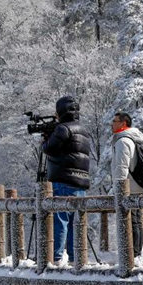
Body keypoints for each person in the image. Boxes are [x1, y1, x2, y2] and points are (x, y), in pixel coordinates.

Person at [42, 96, 91, 264]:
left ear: (61, 111)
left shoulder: (63, 129)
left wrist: (45, 140)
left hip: (63, 180)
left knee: (60, 220)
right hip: (80, 182)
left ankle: (55, 258)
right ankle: (75, 258)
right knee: (75, 222)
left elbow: (50, 149)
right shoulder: (83, 130)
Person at [110, 112, 143, 258]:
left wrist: (118, 189)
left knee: (132, 221)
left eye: (115, 121)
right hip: (137, 185)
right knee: (137, 220)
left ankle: (132, 255)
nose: (112, 124)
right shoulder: (134, 139)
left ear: (123, 123)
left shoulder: (123, 141)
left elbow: (122, 167)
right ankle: (136, 253)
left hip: (128, 188)